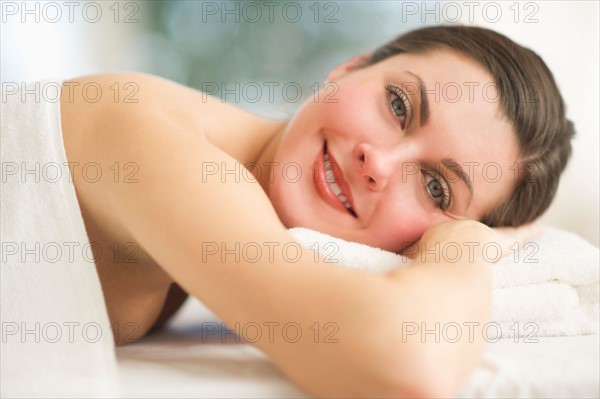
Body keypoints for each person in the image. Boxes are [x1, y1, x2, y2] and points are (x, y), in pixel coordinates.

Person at [57, 25, 573, 397]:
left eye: (436, 188)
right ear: (349, 67)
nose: (379, 162)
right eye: (398, 106)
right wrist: (464, 250)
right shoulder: (150, 134)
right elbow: (403, 360)